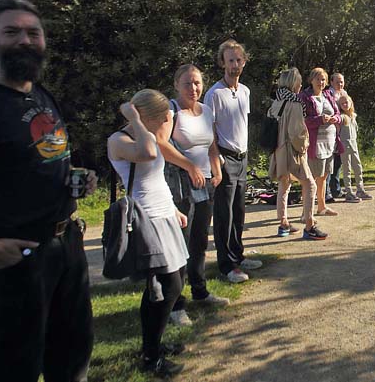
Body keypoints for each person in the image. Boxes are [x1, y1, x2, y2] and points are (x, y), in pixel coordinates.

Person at [0, 0, 96, 382]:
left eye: (33, 33)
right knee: (14, 366)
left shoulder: (41, 96)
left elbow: (43, 155)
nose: (25, 40)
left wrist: (73, 176)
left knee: (72, 358)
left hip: (66, 247)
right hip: (15, 260)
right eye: (11, 31)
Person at [108, 89, 190, 377]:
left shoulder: (148, 135)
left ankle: (151, 345)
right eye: (163, 118)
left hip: (164, 215)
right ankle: (151, 357)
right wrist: (135, 120)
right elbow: (148, 153)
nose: (167, 121)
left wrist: (174, 209)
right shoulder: (119, 140)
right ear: (146, 118)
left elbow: (157, 178)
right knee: (168, 287)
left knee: (170, 284)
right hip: (145, 220)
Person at [157, 64, 230, 327]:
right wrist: (189, 167)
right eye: (187, 83)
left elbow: (211, 143)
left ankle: (200, 291)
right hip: (180, 187)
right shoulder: (170, 111)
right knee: (179, 245)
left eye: (197, 83)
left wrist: (216, 169)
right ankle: (176, 305)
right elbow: (161, 144)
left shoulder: (206, 110)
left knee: (199, 241)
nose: (194, 88)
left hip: (205, 184)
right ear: (176, 84)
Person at [204, 39, 261, 283]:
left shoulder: (245, 91)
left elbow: (241, 125)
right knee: (224, 214)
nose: (234, 65)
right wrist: (218, 162)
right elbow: (210, 132)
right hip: (225, 157)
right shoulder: (214, 94)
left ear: (244, 62)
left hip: (242, 157)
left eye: (238, 60)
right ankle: (226, 265)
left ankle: (238, 255)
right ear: (222, 63)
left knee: (239, 210)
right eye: (230, 60)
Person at [268, 68, 327, 240]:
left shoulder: (276, 102)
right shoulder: (294, 104)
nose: (301, 85)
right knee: (310, 184)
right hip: (291, 151)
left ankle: (283, 223)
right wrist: (304, 147)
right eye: (298, 81)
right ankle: (309, 225)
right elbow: (297, 133)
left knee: (284, 185)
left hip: (277, 150)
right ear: (293, 83)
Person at [300, 67, 342, 216]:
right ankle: (306, 212)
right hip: (314, 144)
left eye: (323, 79)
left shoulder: (328, 95)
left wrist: (334, 119)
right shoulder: (304, 97)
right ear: (311, 80)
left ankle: (322, 207)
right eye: (318, 79)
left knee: (324, 176)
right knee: (310, 179)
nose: (321, 82)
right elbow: (302, 121)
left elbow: (338, 114)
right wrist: (319, 120)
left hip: (329, 143)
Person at [337, 94, 373, 200]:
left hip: (354, 145)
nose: (344, 104)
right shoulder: (342, 117)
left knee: (358, 167)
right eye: (342, 103)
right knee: (347, 169)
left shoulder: (353, 116)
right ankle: (348, 191)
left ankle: (360, 189)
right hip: (345, 146)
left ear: (351, 102)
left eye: (346, 102)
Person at [325, 72, 347, 202]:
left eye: (342, 81)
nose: (340, 84)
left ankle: (336, 189)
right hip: (331, 133)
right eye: (338, 81)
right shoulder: (329, 95)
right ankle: (326, 192)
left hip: (341, 133)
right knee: (329, 164)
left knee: (338, 163)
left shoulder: (344, 94)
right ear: (331, 82)